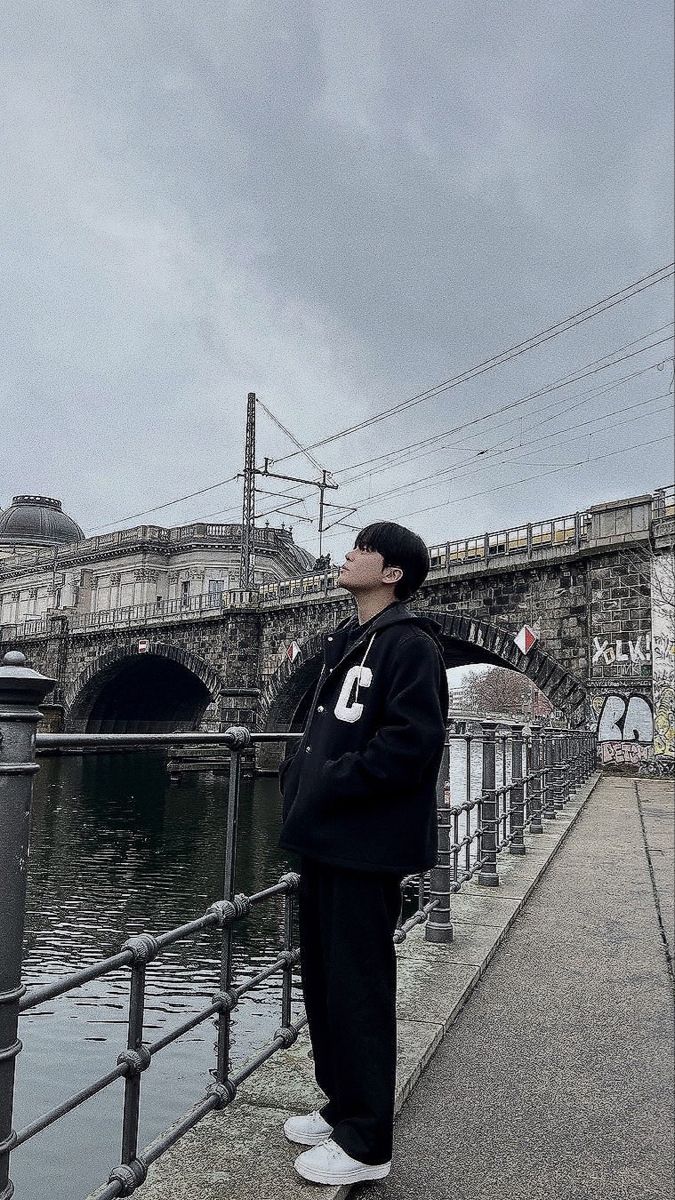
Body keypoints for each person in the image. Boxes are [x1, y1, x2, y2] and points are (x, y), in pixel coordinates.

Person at [278, 520, 449, 1186]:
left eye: (363, 548)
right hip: (326, 836)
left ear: (391, 573)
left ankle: (365, 1140)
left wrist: (325, 781)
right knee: (323, 983)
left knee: (357, 989)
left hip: (362, 843)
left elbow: (411, 746)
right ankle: (341, 1106)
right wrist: (303, 780)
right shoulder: (350, 641)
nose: (347, 554)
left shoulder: (408, 645)